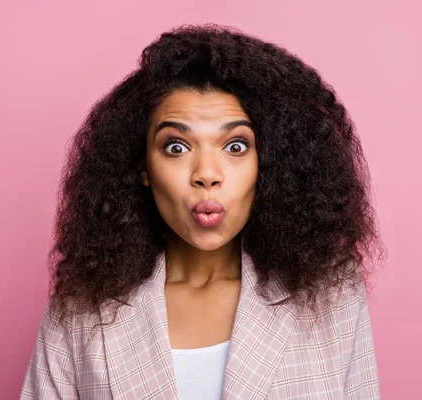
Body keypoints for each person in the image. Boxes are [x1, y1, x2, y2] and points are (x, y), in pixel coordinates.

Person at [20, 23, 386, 400]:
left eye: (236, 147)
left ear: (271, 163)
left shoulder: (329, 293)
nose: (207, 175)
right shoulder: (81, 309)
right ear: (142, 167)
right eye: (177, 147)